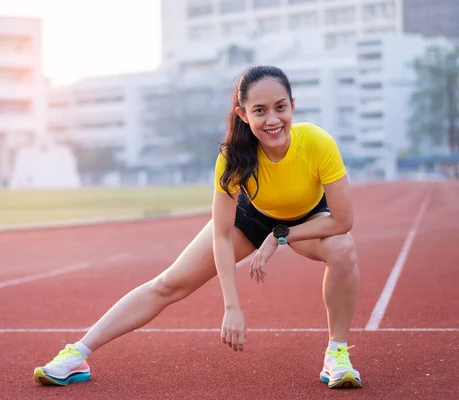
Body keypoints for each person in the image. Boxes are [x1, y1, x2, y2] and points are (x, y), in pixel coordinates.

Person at [33, 65, 362, 389]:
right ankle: (77, 353)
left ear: (293, 105)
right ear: (243, 113)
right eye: (260, 110)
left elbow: (342, 221)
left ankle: (337, 354)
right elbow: (221, 234)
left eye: (281, 107)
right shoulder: (233, 156)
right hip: (249, 219)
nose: (273, 120)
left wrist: (280, 236)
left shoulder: (318, 143)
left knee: (343, 248)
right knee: (168, 284)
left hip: (307, 219)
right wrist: (231, 306)